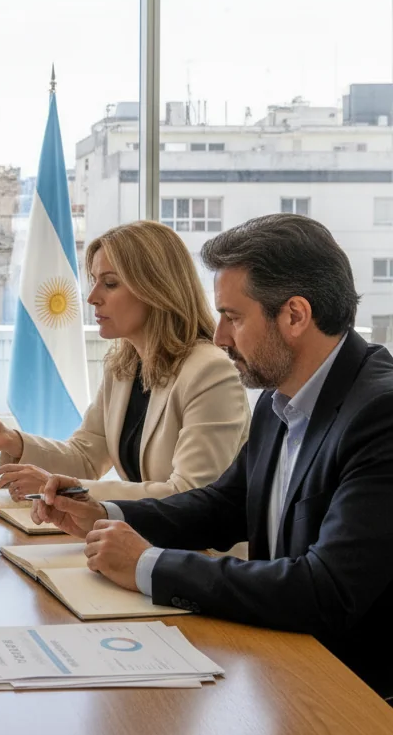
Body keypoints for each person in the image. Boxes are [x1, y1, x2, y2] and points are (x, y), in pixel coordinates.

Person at [32, 214, 393, 701]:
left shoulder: (379, 415)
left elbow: (325, 589)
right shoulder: (279, 396)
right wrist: (102, 514)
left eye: (234, 317)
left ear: (294, 316)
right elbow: (222, 505)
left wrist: (148, 565)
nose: (220, 337)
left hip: (354, 696)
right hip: (285, 669)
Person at [0, 221, 249, 501]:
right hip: (142, 540)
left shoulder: (210, 371)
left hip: (199, 556)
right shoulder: (124, 367)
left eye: (110, 283)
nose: (92, 297)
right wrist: (13, 440)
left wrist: (67, 488)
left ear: (156, 289)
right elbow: (85, 458)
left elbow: (190, 494)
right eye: (95, 281)